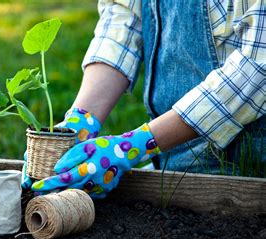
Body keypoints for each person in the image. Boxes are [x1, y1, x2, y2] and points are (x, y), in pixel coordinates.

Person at [23, 0, 265, 198]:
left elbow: (257, 68)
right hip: (169, 163)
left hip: (244, 171)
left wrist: (135, 145)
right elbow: (123, 19)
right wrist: (80, 121)